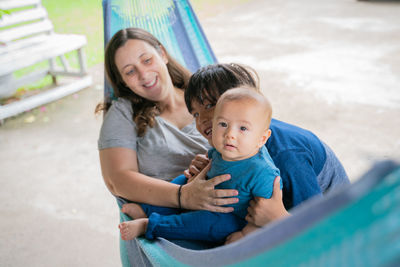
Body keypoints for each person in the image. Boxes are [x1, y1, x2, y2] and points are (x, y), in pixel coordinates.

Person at [183, 63, 350, 229]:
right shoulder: (239, 140)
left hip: (334, 221)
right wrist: (211, 169)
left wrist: (278, 219)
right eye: (195, 114)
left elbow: (318, 226)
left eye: (210, 106)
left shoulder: (286, 156)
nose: (201, 120)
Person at [97, 27, 240, 217]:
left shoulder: (208, 92)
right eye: (130, 71)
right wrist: (184, 195)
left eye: (147, 60)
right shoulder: (123, 113)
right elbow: (117, 179)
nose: (144, 74)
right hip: (172, 225)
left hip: (235, 199)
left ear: (162, 54)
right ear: (123, 81)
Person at [118, 87, 281, 244]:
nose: (230, 134)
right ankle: (147, 209)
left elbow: (262, 215)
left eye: (243, 128)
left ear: (262, 138)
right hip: (203, 195)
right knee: (183, 179)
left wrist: (246, 233)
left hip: (229, 215)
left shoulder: (262, 172)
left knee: (209, 223)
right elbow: (206, 165)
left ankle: (150, 225)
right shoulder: (221, 149)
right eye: (223, 124)